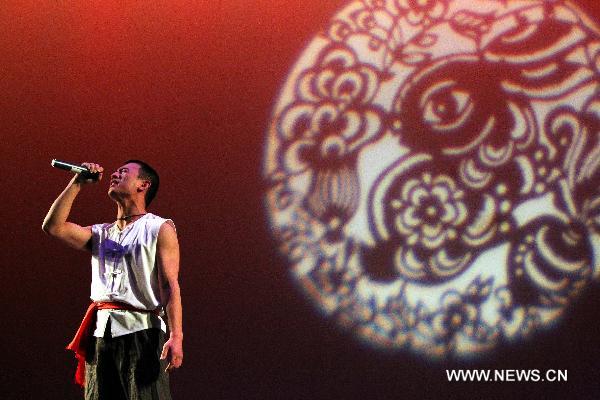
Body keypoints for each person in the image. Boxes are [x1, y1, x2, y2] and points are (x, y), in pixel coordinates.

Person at [42, 160, 183, 400]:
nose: (115, 174)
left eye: (124, 172)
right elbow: (53, 227)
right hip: (101, 335)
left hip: (142, 333)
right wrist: (77, 183)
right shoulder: (101, 232)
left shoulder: (159, 228)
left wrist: (176, 335)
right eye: (116, 171)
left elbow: (169, 285)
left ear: (143, 185)